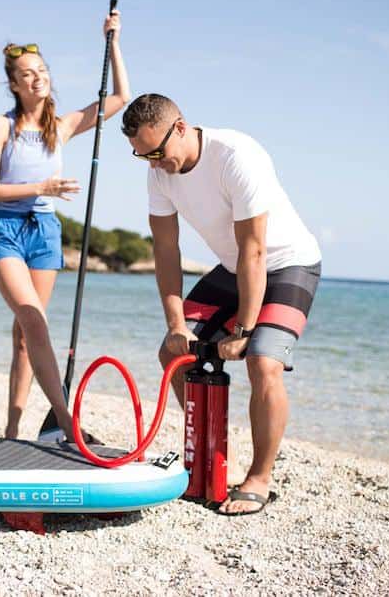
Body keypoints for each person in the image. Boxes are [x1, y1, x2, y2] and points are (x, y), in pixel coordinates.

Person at [121, 93, 321, 515]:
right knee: (173, 353)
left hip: (287, 263)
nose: (154, 163)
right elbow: (166, 252)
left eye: (157, 152)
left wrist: (244, 332)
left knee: (262, 362)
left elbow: (255, 251)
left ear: (180, 127)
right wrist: (177, 325)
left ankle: (260, 478)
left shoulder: (235, 155)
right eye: (142, 156)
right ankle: (211, 456)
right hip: (234, 268)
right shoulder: (158, 173)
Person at [0, 13, 130, 440]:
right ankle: (66, 420)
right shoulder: (0, 126)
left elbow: (120, 96)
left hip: (45, 232)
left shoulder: (61, 128)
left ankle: (11, 430)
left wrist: (111, 41)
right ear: (14, 84)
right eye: (27, 74)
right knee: (34, 320)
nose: (37, 79)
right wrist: (41, 185)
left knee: (26, 337)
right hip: (5, 229)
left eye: (42, 71)